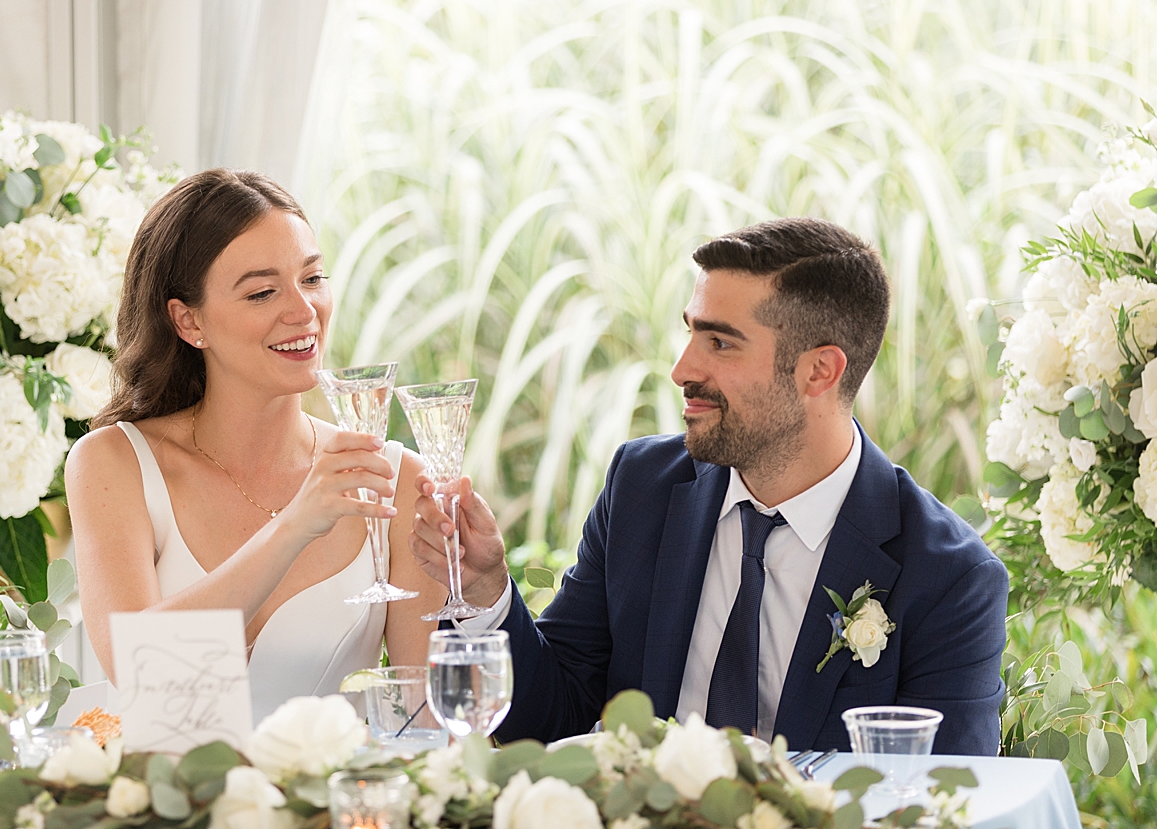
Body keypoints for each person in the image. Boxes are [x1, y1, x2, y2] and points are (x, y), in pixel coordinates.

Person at [411, 218, 1009, 753]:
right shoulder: (640, 489)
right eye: (692, 332)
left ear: (819, 371)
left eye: (719, 342)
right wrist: (488, 589)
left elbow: (942, 801)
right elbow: (552, 719)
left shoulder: (948, 578)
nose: (682, 370)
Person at [67, 169, 441, 721]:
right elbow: (137, 671)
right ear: (188, 320)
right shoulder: (113, 461)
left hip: (337, 803)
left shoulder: (392, 478)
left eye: (312, 278)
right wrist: (294, 526)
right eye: (263, 291)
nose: (303, 310)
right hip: (164, 803)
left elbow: (428, 721)